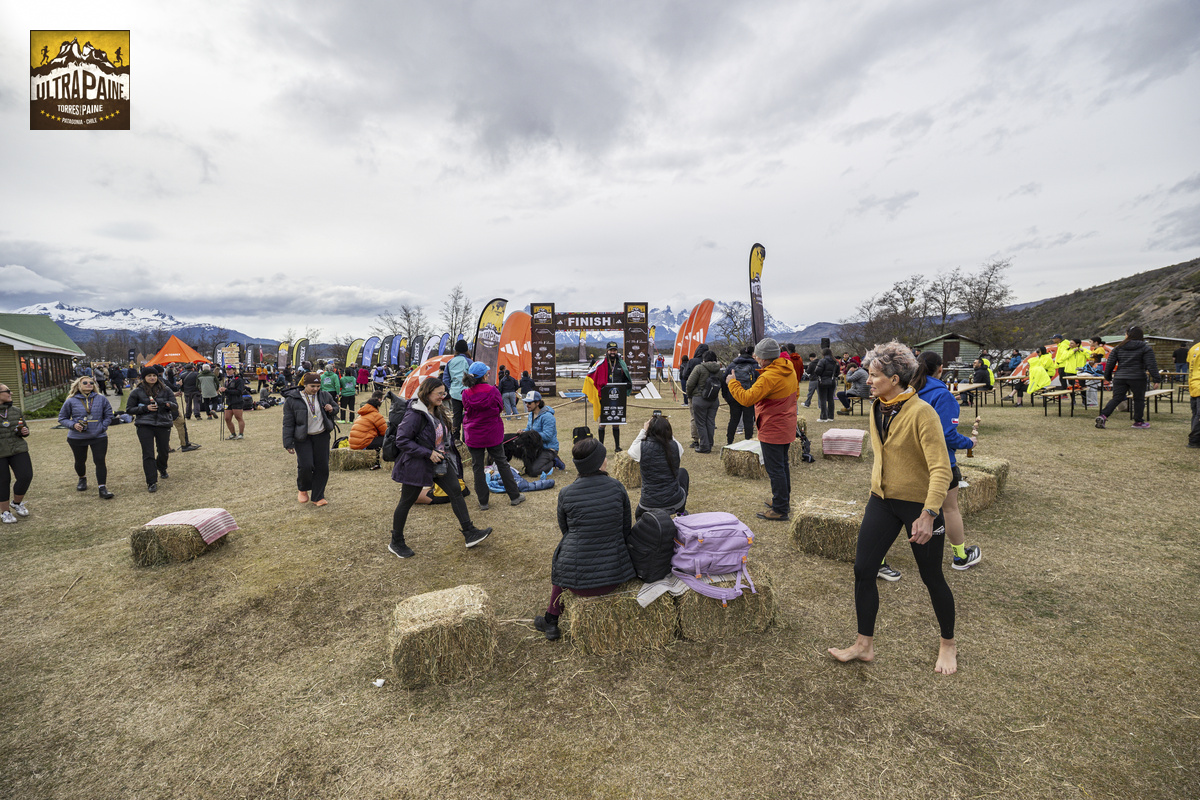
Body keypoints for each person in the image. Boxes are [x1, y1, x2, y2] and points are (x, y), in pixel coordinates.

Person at [828, 341, 957, 675]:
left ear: (895, 378)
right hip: (882, 500)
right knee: (863, 570)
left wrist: (929, 514)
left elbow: (941, 468)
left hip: (919, 505)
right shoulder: (877, 406)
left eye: (874, 375)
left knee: (932, 577)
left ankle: (948, 644)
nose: (868, 380)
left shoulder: (922, 413)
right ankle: (864, 644)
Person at [533, 438, 634, 641]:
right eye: (604, 457)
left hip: (576, 582)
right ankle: (550, 620)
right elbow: (626, 528)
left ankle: (551, 621)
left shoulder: (566, 493)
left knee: (565, 556)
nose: (607, 460)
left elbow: (566, 531)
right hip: (614, 576)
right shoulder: (617, 487)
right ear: (599, 462)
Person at [388, 377, 492, 558]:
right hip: (417, 464)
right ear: (427, 393)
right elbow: (402, 440)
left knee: (456, 491)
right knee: (406, 501)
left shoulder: (437, 410)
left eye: (444, 393)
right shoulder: (415, 414)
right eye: (439, 393)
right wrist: (427, 453)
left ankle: (469, 532)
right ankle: (396, 542)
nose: (442, 397)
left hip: (439, 462)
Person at [913, 351, 982, 571]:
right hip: (939, 464)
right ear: (941, 369)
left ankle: (878, 558)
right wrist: (969, 442)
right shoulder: (943, 396)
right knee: (950, 509)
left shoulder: (907, 390)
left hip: (909, 461)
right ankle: (960, 557)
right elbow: (946, 435)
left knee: (899, 509)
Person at [725, 338, 798, 521]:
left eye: (757, 355)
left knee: (775, 469)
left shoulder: (769, 377)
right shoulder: (787, 367)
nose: (755, 358)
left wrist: (732, 382)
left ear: (765, 358)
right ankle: (782, 500)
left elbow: (747, 399)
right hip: (786, 424)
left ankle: (780, 509)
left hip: (773, 427)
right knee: (782, 465)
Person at [461, 362, 524, 510]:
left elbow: (467, 409)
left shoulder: (466, 393)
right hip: (492, 433)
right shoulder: (492, 391)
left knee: (477, 467)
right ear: (484, 376)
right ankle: (514, 496)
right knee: (502, 463)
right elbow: (500, 407)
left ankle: (483, 502)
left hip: (474, 435)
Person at [282, 372, 339, 506]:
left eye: (318, 386)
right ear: (305, 384)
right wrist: (288, 443)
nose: (315, 389)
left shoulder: (325, 395)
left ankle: (318, 497)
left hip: (322, 435)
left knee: (322, 467)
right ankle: (303, 488)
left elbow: (336, 408)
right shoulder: (292, 399)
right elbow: (288, 423)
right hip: (303, 437)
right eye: (312, 386)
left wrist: (332, 409)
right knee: (306, 465)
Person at [58, 375, 115, 499]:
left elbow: (109, 415)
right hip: (77, 437)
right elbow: (62, 418)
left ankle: (102, 488)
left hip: (98, 436)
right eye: (85, 383)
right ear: (79, 385)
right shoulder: (71, 400)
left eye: (91, 382)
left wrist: (102, 427)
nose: (89, 384)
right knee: (80, 461)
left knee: (100, 460)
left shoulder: (101, 398)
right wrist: (73, 425)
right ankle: (82, 478)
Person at [1096, 325, 1161, 430]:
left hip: (1120, 377)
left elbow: (1110, 363)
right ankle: (1138, 422)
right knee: (1138, 399)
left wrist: (1107, 376)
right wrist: (1156, 379)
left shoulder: (1118, 347)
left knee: (1117, 398)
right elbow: (1151, 365)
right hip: (1138, 377)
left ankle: (1103, 415)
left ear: (1128, 335)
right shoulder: (1145, 348)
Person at [127, 366, 177, 493]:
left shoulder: (166, 389)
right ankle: (151, 481)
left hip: (163, 423)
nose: (152, 378)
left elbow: (175, 405)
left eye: (154, 375)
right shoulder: (137, 391)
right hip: (145, 424)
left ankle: (162, 467)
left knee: (163, 451)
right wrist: (145, 408)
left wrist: (168, 405)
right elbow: (129, 409)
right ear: (144, 377)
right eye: (149, 376)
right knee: (148, 453)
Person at [628, 414, 688, 518]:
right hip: (675, 502)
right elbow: (673, 441)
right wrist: (665, 428)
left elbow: (630, 451)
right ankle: (681, 512)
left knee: (638, 515)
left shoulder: (641, 448)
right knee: (683, 473)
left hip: (648, 504)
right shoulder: (676, 446)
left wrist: (643, 430)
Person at [0, 383, 32, 524]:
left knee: (26, 475)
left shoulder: (16, 410)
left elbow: (24, 427)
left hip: (18, 448)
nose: (11, 393)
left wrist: (24, 431)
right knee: (3, 481)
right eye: (7, 391)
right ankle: (5, 512)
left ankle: (16, 503)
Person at [593, 342, 633, 450]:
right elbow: (595, 378)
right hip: (604, 397)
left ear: (617, 351)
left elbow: (627, 380)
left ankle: (617, 447)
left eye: (614, 350)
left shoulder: (621, 364)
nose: (612, 352)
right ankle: (601, 447)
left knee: (616, 422)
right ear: (607, 351)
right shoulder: (601, 364)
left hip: (618, 397)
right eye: (610, 350)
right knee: (603, 422)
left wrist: (626, 385)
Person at [685, 351, 722, 453]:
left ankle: (704, 446)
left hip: (699, 398)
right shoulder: (719, 370)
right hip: (713, 399)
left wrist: (689, 395)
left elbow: (689, 384)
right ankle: (709, 443)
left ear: (704, 359)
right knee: (710, 422)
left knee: (701, 423)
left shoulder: (699, 368)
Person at [723, 346, 758, 444]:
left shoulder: (732, 365)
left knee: (733, 420)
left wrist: (726, 396)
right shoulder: (755, 366)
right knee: (748, 420)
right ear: (752, 354)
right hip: (749, 396)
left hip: (734, 396)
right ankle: (748, 441)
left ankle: (729, 441)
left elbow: (724, 380)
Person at [522, 390, 561, 476]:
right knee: (528, 469)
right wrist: (523, 431)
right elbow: (529, 429)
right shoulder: (531, 414)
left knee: (533, 471)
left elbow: (547, 436)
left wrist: (530, 435)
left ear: (537, 403)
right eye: (526, 402)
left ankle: (554, 461)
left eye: (529, 403)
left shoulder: (548, 417)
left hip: (548, 449)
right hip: (536, 447)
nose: (527, 405)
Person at [444, 340, 473, 441]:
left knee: (456, 417)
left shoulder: (450, 362)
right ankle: (467, 438)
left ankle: (455, 439)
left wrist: (451, 388)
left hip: (455, 393)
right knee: (469, 416)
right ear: (466, 349)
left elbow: (446, 379)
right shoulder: (469, 362)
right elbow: (473, 377)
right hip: (468, 393)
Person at [349, 392, 387, 466]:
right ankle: (379, 459)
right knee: (387, 440)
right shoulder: (376, 415)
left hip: (353, 443)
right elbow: (385, 432)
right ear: (377, 406)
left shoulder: (361, 415)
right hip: (363, 444)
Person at [811, 348, 840, 422]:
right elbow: (837, 373)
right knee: (830, 399)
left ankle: (823, 417)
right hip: (832, 381)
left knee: (823, 399)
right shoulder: (835, 361)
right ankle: (831, 416)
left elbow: (817, 371)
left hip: (822, 381)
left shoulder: (822, 361)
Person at [220, 366, 248, 439]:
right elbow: (226, 390)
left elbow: (239, 391)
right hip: (228, 401)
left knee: (238, 417)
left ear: (234, 370)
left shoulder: (239, 380)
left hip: (237, 400)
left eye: (229, 370)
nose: (228, 371)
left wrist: (227, 390)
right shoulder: (227, 380)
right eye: (227, 370)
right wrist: (222, 390)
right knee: (227, 418)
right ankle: (233, 434)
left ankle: (241, 434)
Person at [1188, 340, 1200, 449]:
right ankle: (1195, 440)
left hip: (1193, 384)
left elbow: (1189, 363)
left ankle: (1194, 437)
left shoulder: (1194, 347)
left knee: (1196, 413)